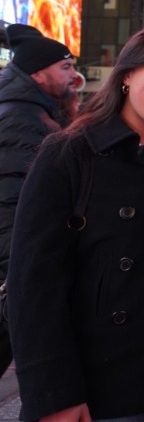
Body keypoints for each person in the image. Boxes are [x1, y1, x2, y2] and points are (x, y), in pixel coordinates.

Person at [7, 24, 144, 421]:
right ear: (127, 74)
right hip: (96, 390)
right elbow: (34, 283)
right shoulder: (70, 153)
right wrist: (54, 395)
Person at [0, 24, 76, 372]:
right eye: (65, 67)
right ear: (38, 72)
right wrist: (15, 276)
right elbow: (13, 203)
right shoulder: (21, 118)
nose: (73, 75)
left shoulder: (31, 110)